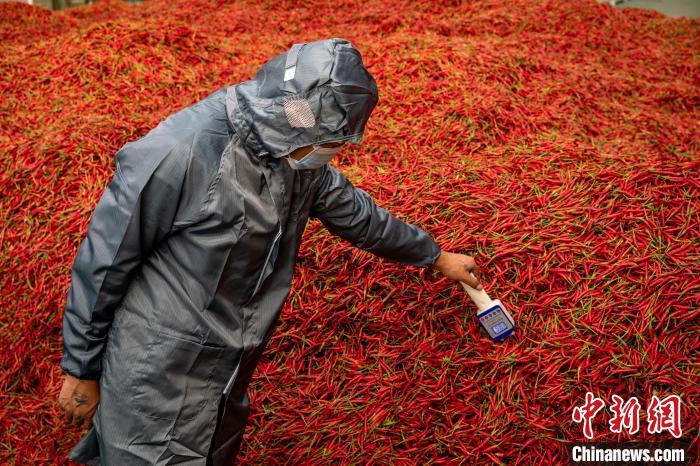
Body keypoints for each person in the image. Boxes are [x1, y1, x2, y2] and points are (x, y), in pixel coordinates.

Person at [57, 37, 482, 465]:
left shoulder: (297, 158)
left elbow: (356, 215)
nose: (331, 152)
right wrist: (81, 367)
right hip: (157, 366)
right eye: (331, 140)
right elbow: (105, 261)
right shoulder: (179, 152)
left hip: (228, 364)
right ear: (297, 115)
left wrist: (433, 255)